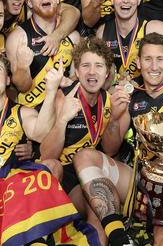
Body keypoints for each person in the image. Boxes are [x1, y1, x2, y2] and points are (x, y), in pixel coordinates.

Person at [72, 33, 163, 246]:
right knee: (85, 157)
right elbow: (110, 148)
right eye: (147, 59)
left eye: (160, 59)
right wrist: (115, 117)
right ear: (138, 63)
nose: (154, 66)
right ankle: (118, 235)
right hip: (136, 182)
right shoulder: (131, 96)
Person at [39, 37, 117, 245]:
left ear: (107, 72)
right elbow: (46, 155)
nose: (92, 72)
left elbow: (110, 149)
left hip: (87, 173)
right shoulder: (62, 97)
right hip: (62, 175)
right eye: (86, 66)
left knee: (98, 200)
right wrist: (62, 120)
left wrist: (114, 118)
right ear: (77, 71)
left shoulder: (108, 100)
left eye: (99, 66)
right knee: (50, 167)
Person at [6, 0, 82, 108]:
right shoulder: (18, 37)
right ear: (29, 2)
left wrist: (69, 81)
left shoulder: (73, 37)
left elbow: (77, 77)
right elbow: (22, 87)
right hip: (31, 111)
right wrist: (22, 68)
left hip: (63, 106)